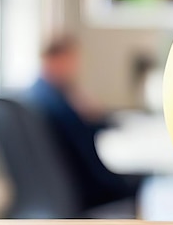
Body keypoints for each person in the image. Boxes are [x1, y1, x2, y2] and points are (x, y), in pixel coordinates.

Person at [27, 34, 140, 211]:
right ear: (55, 58)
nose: (75, 67)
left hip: (70, 184)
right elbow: (86, 141)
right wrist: (95, 116)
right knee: (151, 183)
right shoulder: (57, 104)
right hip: (86, 186)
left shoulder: (40, 93)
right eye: (71, 59)